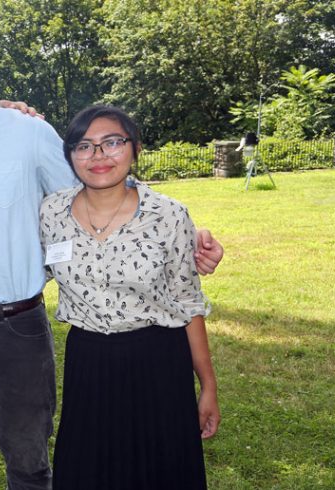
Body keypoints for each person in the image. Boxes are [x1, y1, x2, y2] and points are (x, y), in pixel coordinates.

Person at [0, 25, 223, 490]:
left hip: (20, 325)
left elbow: (91, 187)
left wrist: (186, 230)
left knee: (29, 457)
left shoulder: (27, 133)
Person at [40, 105, 219, 489]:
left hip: (158, 364)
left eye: (112, 143)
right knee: (89, 472)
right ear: (70, 156)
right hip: (89, 363)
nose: (99, 156)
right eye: (84, 146)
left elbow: (189, 303)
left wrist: (207, 386)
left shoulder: (168, 214)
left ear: (135, 148)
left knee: (161, 472)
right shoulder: (50, 213)